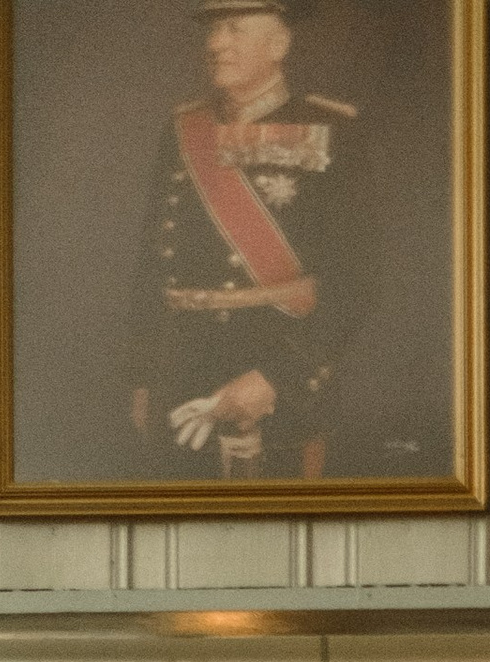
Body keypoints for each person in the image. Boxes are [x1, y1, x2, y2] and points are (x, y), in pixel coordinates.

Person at [127, 3, 375, 484]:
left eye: (234, 29)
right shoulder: (184, 129)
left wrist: (277, 377)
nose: (215, 43)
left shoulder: (331, 129)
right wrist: (142, 374)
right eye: (213, 30)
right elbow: (151, 266)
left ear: (278, 45)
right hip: (177, 371)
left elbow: (355, 280)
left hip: (273, 375)